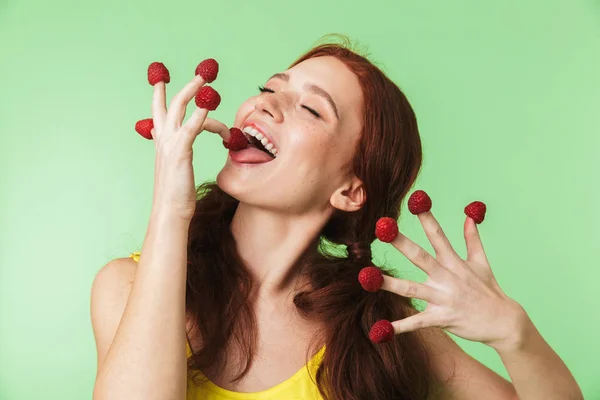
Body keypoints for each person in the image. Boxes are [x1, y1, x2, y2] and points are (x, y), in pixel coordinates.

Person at [90, 38, 583, 400]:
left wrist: (513, 332)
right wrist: (172, 211)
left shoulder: (383, 328)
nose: (264, 102)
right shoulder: (124, 286)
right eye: (270, 88)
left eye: (310, 109)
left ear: (350, 191)